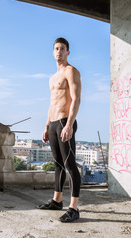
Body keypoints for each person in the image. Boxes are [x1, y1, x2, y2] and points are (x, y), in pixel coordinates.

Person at [37, 37, 82, 223]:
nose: (59, 51)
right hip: (54, 123)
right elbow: (51, 104)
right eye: (56, 48)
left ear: (68, 52)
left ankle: (74, 208)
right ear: (52, 52)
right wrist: (47, 126)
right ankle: (57, 201)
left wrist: (70, 124)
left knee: (70, 165)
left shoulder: (71, 71)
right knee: (58, 164)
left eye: (62, 48)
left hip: (65, 122)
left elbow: (76, 99)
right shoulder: (52, 78)